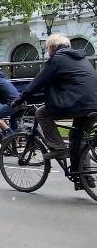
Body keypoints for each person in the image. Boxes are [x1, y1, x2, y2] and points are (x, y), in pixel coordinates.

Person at [13, 34, 97, 188]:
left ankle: (58, 148)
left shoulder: (57, 59)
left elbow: (37, 82)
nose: (47, 52)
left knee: (41, 113)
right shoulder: (82, 59)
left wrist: (19, 100)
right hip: (93, 104)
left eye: (47, 49)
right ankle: (84, 176)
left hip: (75, 103)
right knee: (78, 138)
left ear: (52, 48)